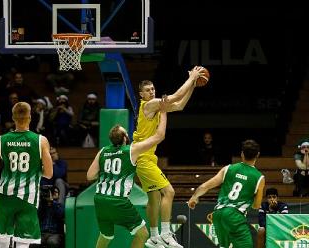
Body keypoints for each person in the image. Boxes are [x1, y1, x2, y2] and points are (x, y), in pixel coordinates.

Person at [133, 66, 205, 248]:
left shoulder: (157, 107)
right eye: (148, 90)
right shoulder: (148, 105)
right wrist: (192, 77)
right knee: (169, 192)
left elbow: (179, 105)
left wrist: (193, 86)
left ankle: (154, 236)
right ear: (141, 94)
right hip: (143, 158)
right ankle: (165, 233)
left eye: (153, 89)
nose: (151, 92)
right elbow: (174, 97)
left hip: (148, 158)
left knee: (154, 198)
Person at [87, 98, 168, 248]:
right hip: (118, 201)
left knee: (105, 236)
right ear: (125, 138)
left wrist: (109, 173)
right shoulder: (132, 150)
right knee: (143, 234)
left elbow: (90, 176)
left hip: (100, 200)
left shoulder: (103, 151)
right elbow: (159, 136)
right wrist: (163, 112)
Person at [0, 101, 53, 248]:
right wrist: (36, 172)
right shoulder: (41, 141)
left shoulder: (1, 140)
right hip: (28, 196)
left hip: (6, 195)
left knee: (3, 239)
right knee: (23, 242)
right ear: (30, 117)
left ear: (13, 118)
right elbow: (49, 174)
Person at [188, 139, 266, 248]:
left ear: (242, 153)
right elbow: (256, 205)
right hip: (235, 215)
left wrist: (194, 197)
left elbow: (204, 186)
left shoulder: (228, 168)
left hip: (218, 214)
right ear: (258, 155)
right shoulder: (259, 178)